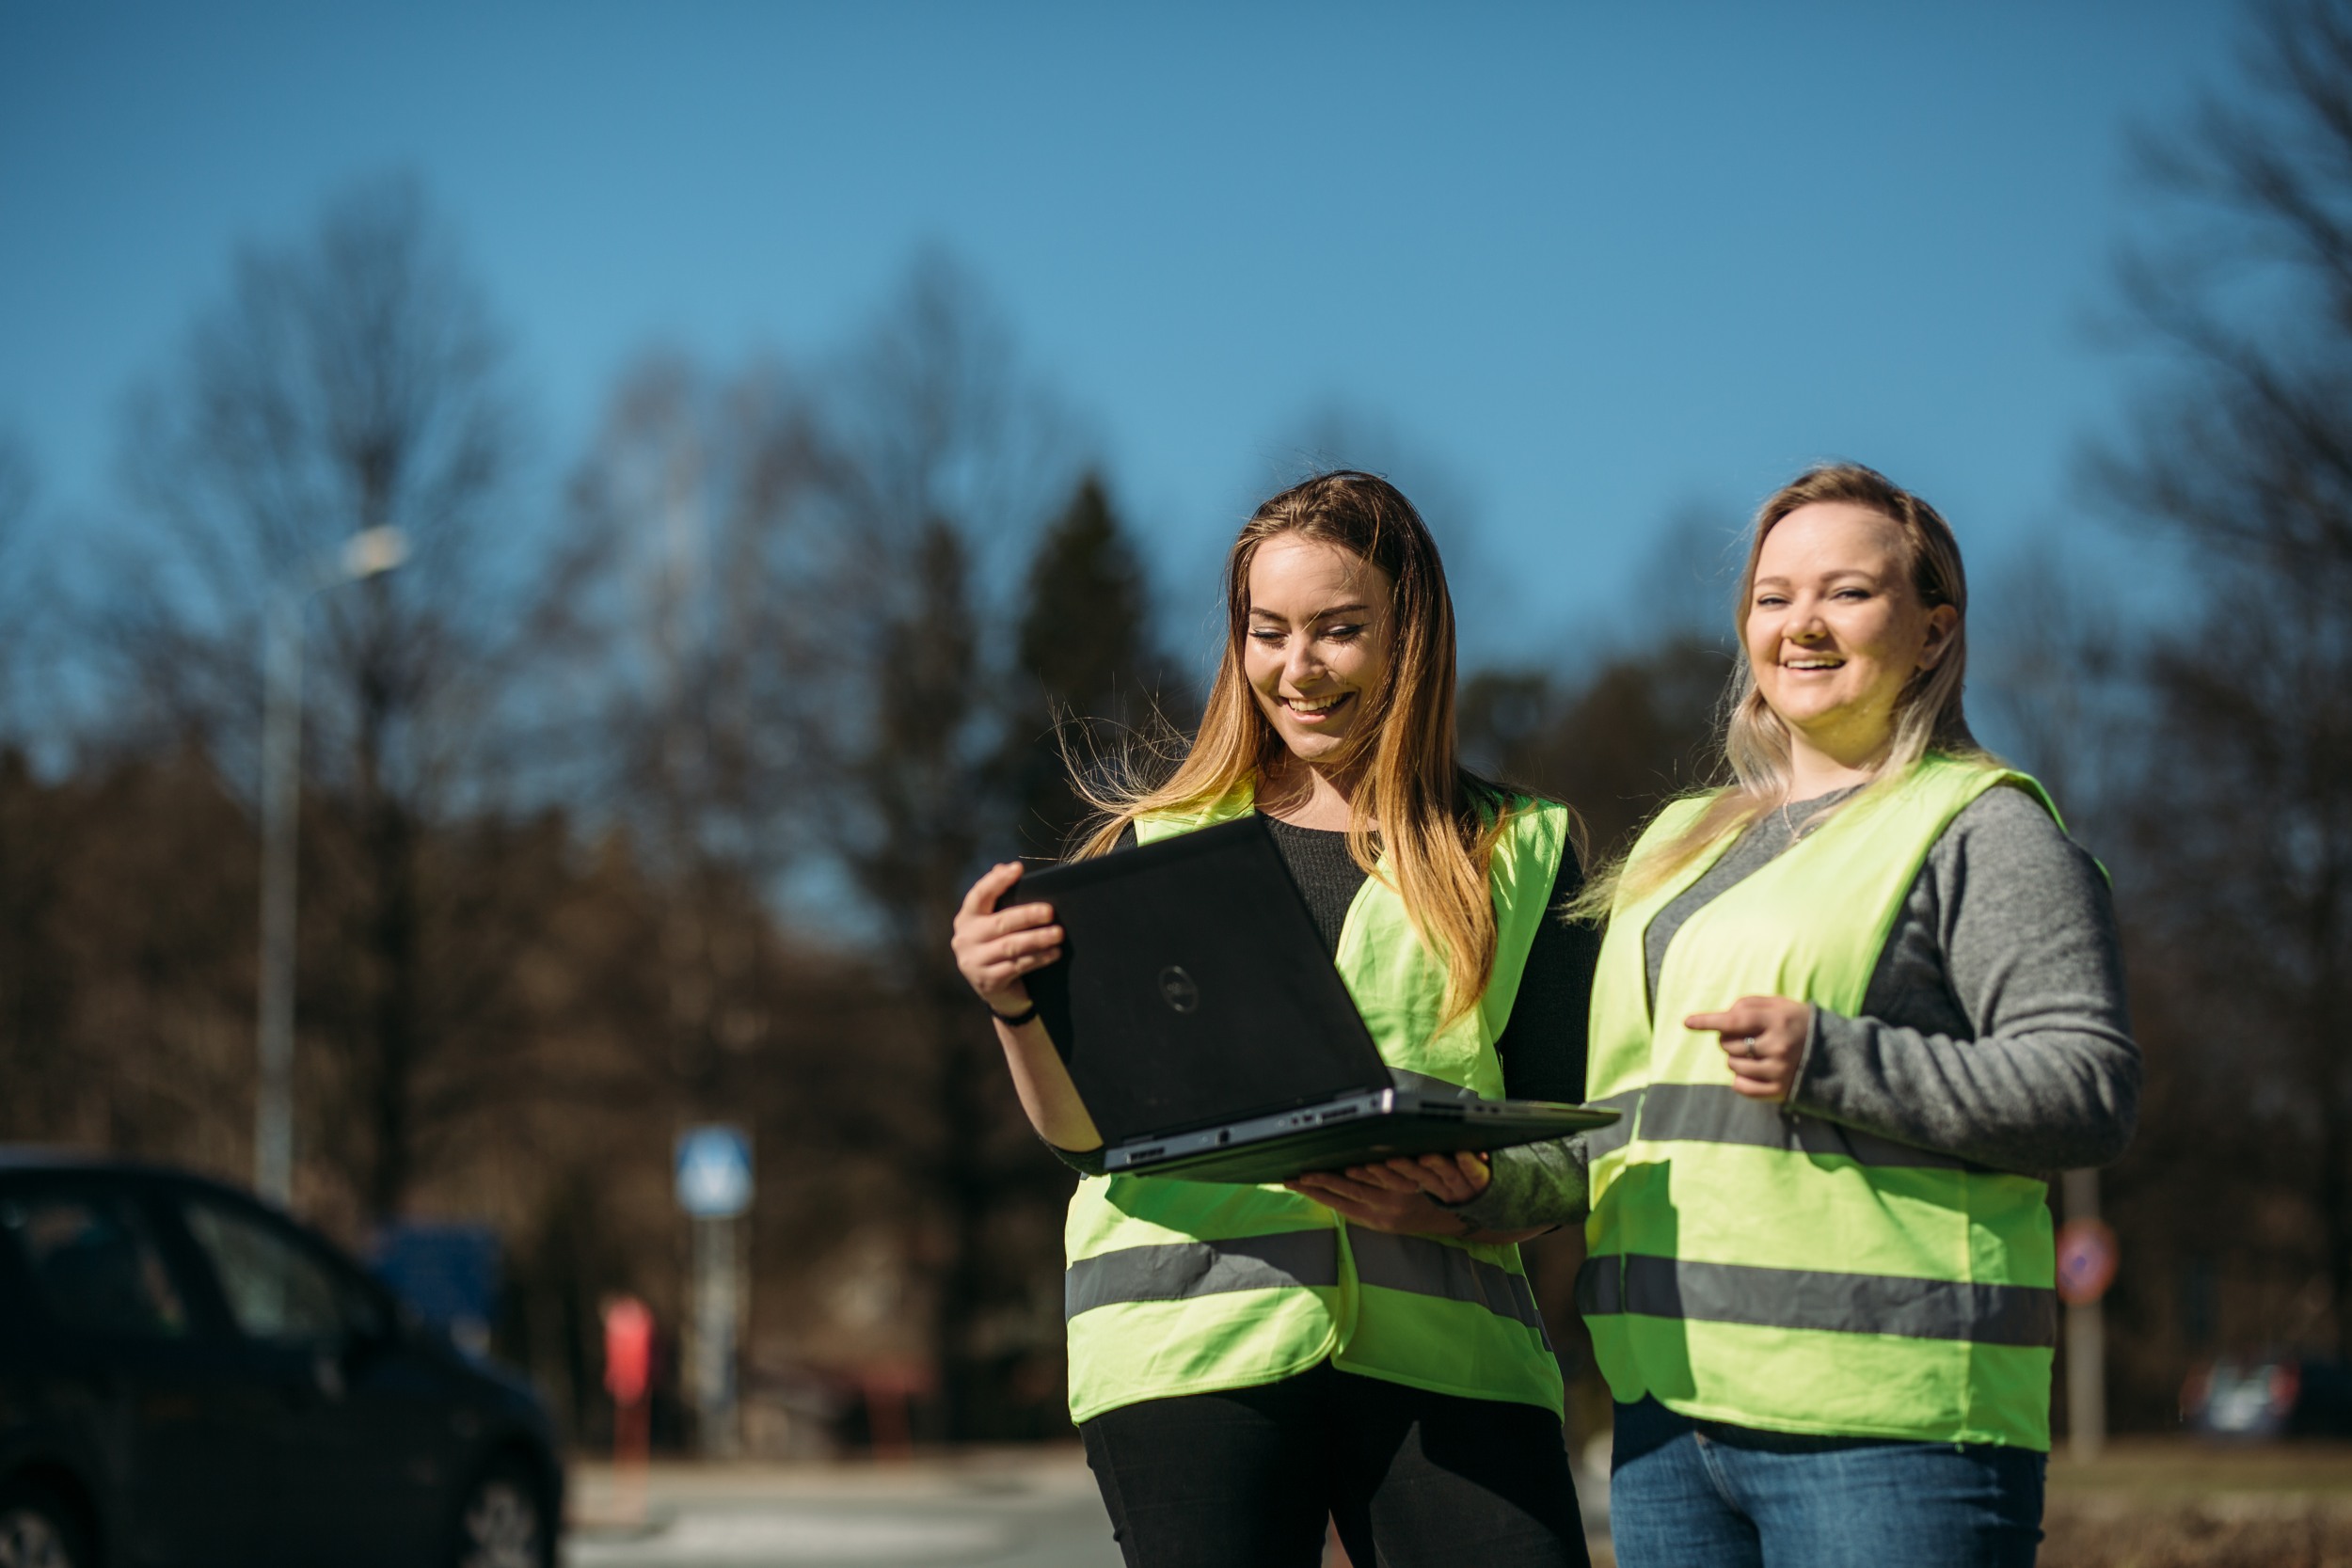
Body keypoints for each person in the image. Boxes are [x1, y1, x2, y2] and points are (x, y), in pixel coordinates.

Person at [1372, 462, 2141, 1566]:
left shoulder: (1980, 825)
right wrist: (1476, 1190)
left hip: (1889, 1420)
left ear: (1933, 631)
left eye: (1847, 592)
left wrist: (1834, 1058)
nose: (1802, 624)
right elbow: (1620, 1124)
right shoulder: (1681, 844)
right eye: (1773, 596)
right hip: (1667, 1420)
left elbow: (2088, 1091)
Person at [950, 471, 1597, 1568]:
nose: (1297, 667)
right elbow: (1087, 1136)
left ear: (1411, 634)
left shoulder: (1523, 847)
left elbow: (1573, 1140)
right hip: (1186, 1341)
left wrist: (1470, 1195)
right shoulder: (1152, 845)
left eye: (1339, 630)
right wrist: (1011, 1006)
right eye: (1269, 631)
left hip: (1453, 1350)